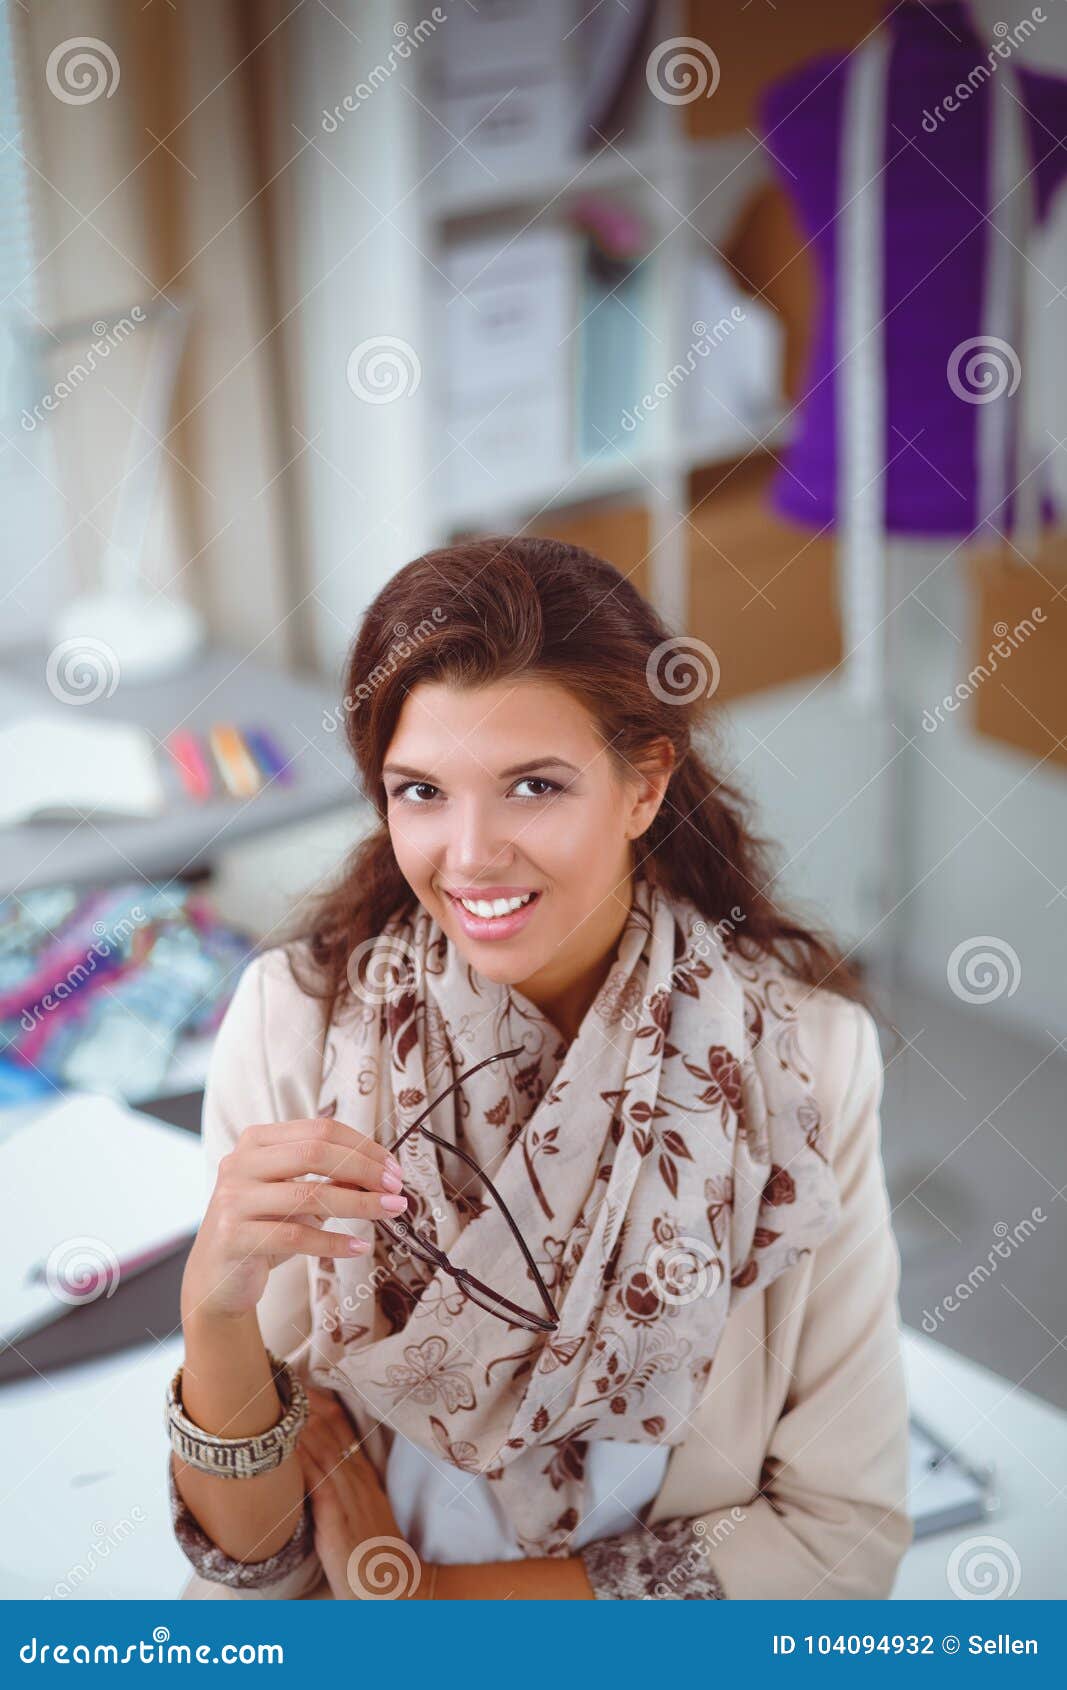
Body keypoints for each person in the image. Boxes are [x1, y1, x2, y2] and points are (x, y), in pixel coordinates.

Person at [168, 535, 912, 1601]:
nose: (467, 855)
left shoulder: (802, 1061)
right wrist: (214, 1315)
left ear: (643, 782)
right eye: (420, 791)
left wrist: (419, 1603)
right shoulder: (296, 1029)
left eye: (531, 785)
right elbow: (256, 1562)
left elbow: (837, 1545)